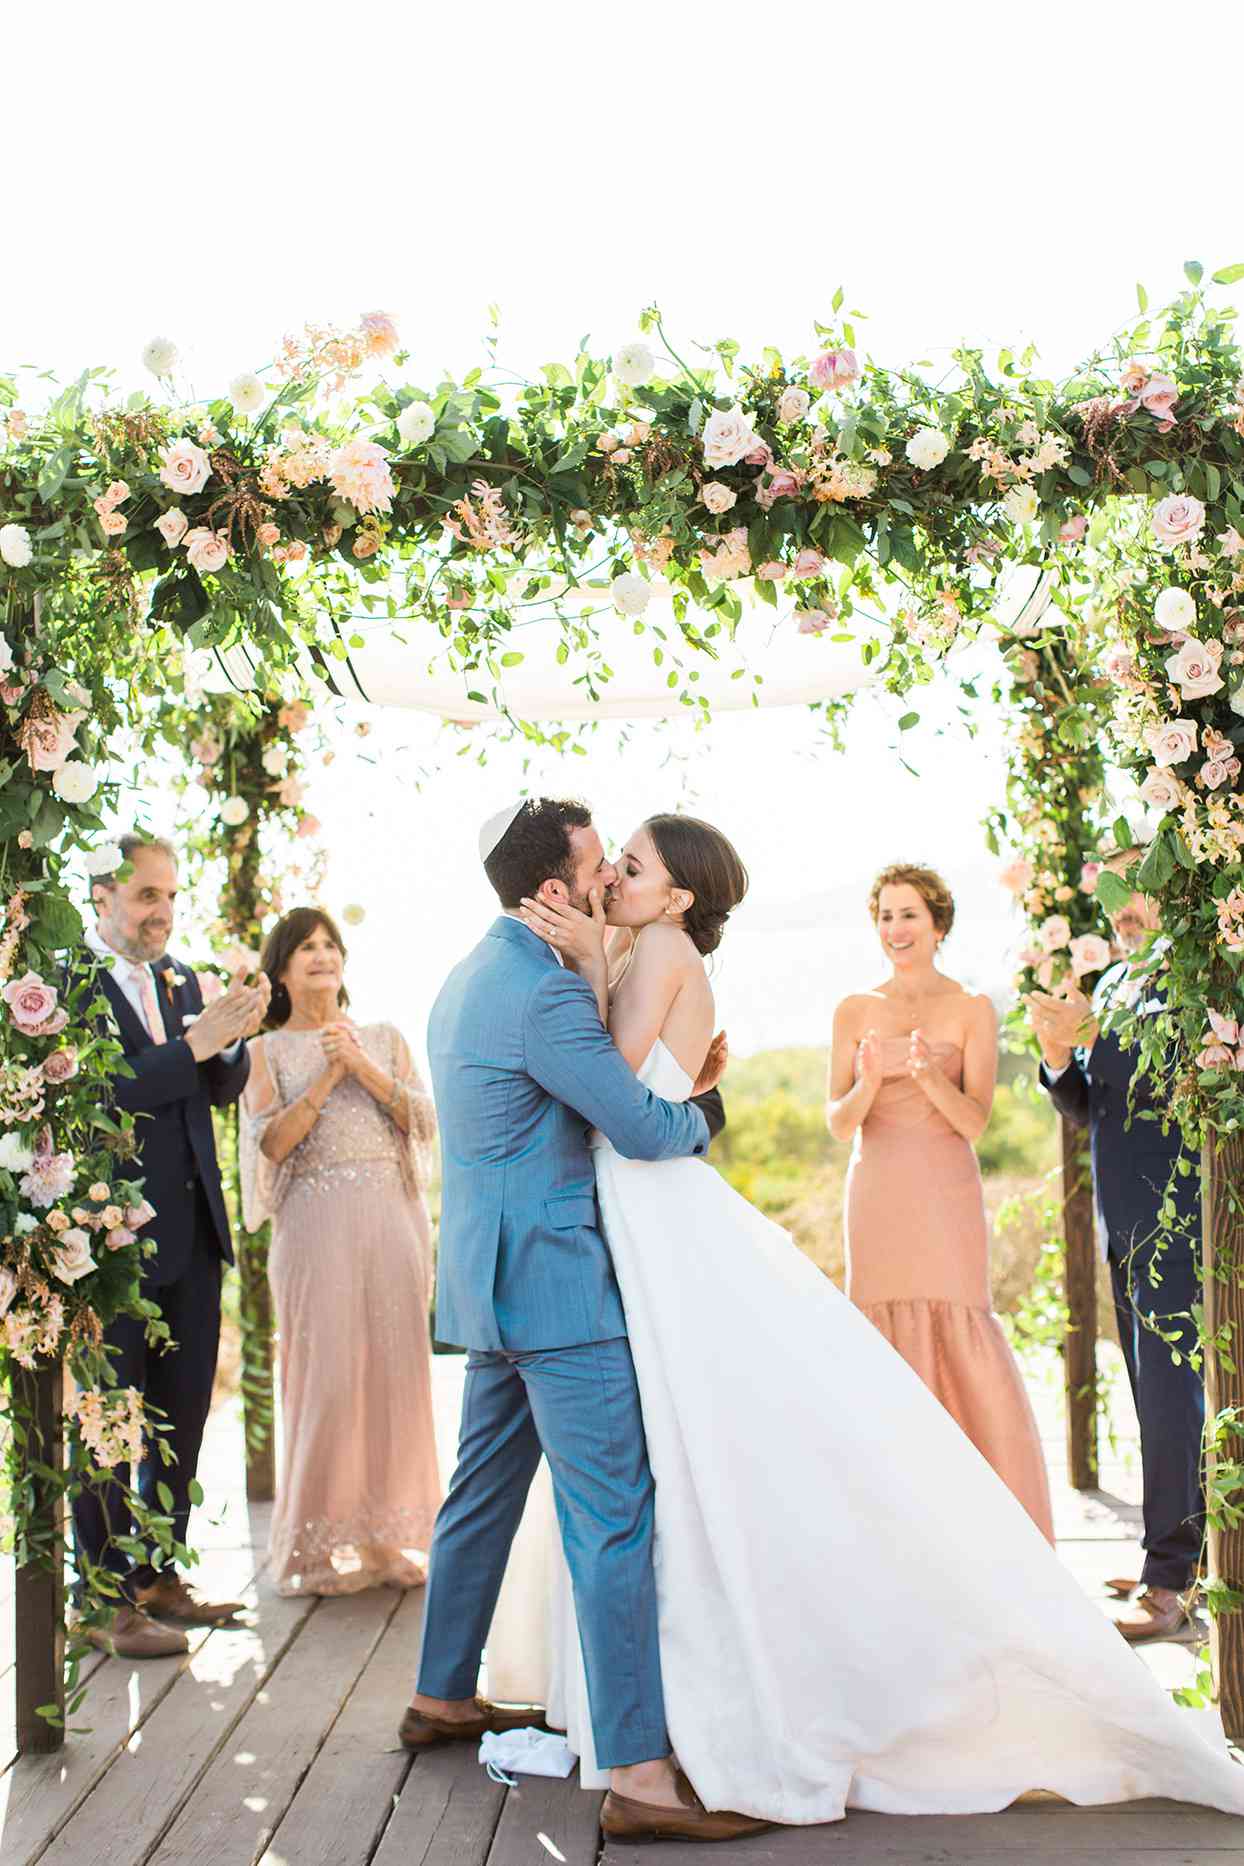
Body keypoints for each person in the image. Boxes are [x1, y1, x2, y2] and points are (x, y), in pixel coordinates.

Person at [500, 815, 1244, 1829]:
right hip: (674, 1199)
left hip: (670, 1198)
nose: (611, 878)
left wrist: (590, 965)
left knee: (692, 1438)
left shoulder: (657, 950)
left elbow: (603, 1087)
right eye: (615, 863)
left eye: (632, 867)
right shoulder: (650, 949)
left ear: (676, 897)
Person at [401, 797, 765, 1849]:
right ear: (555, 887)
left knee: (481, 1491)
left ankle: (438, 1693)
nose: (610, 877)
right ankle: (642, 1778)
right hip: (557, 1286)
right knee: (611, 1518)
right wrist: (704, 1108)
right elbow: (641, 1130)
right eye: (600, 863)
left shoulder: (470, 972)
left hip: (487, 1279)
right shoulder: (548, 993)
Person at [73, 833, 269, 1659]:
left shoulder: (182, 978)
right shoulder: (69, 986)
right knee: (111, 1419)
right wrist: (192, 1047)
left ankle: (158, 1577)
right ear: (102, 899)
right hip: (111, 1243)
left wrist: (233, 1037)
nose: (164, 912)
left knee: (183, 1415)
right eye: (148, 895)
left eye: (171, 896)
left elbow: (215, 1088)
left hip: (194, 1234)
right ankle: (99, 1596)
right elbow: (101, 1093)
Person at [826, 862, 1053, 1541]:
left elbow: (975, 1122)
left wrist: (928, 1076)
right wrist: (869, 1084)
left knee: (960, 1320)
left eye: (909, 915)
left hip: (945, 1189)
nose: (895, 929)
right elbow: (838, 1122)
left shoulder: (973, 1008)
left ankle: (985, 1520)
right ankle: (891, 1520)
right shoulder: (853, 1009)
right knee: (880, 1330)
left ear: (938, 924)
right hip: (878, 1190)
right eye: (885, 916)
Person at [1027, 849, 1204, 1641]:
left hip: (1179, 1222)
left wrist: (1092, 1037)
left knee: (1172, 1399)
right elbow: (1091, 1105)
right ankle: (1180, 1553)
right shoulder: (1119, 981)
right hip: (1124, 1222)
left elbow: (1185, 1089)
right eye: (1113, 893)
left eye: (1138, 887)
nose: (1122, 906)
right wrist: (1058, 1056)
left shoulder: (1196, 980)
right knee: (1152, 1395)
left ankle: (1171, 1582)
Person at [240, 907, 442, 1596]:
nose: (322, 955)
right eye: (306, 947)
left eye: (330, 944)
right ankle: (315, 1547)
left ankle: (385, 1540)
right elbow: (270, 1145)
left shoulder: (383, 1038)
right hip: (312, 1227)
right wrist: (327, 1078)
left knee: (394, 1371)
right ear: (282, 970)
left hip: (391, 1219)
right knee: (326, 1379)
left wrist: (361, 1065)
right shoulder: (265, 1053)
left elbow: (423, 1119)